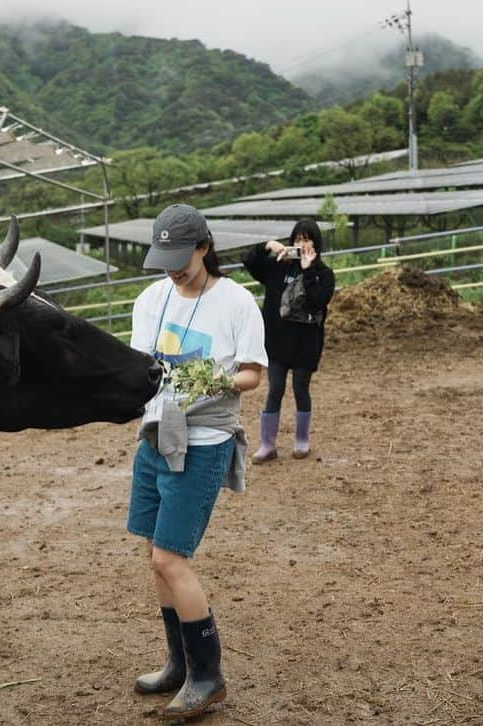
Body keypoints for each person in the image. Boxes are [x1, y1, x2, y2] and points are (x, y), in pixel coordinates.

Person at [127, 204, 267, 719]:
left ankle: (209, 675)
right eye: (164, 257)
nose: (172, 268)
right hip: (156, 435)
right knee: (154, 555)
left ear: (205, 247)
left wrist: (216, 380)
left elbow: (252, 374)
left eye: (180, 257)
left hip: (205, 439)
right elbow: (144, 365)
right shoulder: (151, 299)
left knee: (170, 557)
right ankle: (180, 664)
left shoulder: (235, 302)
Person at [241, 218, 336, 463]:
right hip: (277, 339)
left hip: (306, 341)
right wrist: (267, 246)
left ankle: (302, 440)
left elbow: (317, 300)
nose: (301, 244)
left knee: (301, 388)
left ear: (316, 243)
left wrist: (307, 270)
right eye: (297, 239)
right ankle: (267, 444)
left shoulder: (324, 273)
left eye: (306, 239)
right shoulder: (277, 266)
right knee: (275, 388)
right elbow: (249, 262)